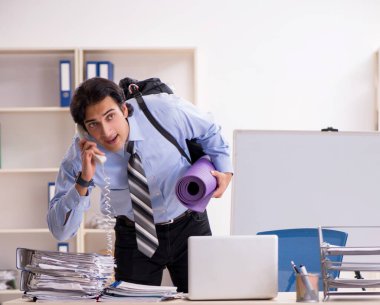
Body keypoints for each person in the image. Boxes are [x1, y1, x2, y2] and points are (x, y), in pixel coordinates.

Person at [47, 77, 233, 293]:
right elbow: (60, 232)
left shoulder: (165, 110)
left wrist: (225, 171)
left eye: (110, 116)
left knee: (207, 298)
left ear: (124, 109)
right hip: (135, 238)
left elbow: (209, 130)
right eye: (93, 124)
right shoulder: (79, 155)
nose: (106, 132)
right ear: (84, 129)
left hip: (189, 225)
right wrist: (83, 180)